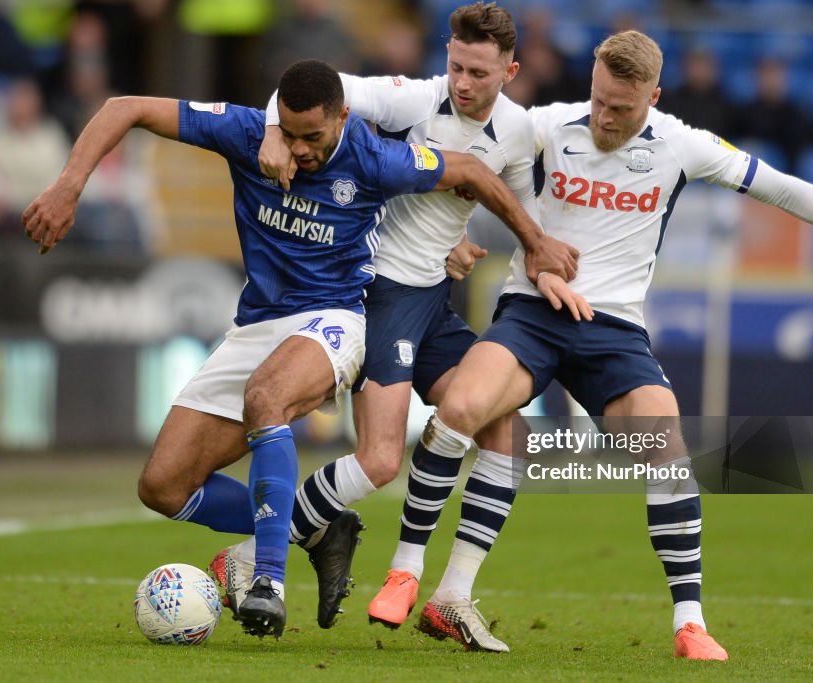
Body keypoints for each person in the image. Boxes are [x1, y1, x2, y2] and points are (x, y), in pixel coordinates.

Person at [387, 29, 813, 659]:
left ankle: (689, 623)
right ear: (592, 83)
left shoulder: (681, 145)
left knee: (662, 444)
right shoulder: (545, 126)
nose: (607, 119)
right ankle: (408, 575)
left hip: (613, 332)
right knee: (463, 408)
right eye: (602, 101)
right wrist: (440, 240)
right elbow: (460, 159)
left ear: (654, 97)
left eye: (624, 109)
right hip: (531, 313)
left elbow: (778, 185)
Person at [22, 58, 577, 640]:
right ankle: (315, 529)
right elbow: (124, 108)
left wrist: (534, 242)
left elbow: (470, 169)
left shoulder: (373, 158)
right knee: (162, 487)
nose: (300, 149)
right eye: (287, 133)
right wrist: (68, 186)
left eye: (312, 136)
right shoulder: (245, 134)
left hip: (333, 321)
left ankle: (266, 581)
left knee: (269, 398)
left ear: (342, 117)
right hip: (254, 325)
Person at [207, 2, 584, 649]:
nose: (463, 83)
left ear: (511, 71)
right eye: (457, 66)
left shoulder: (521, 133)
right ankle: (244, 556)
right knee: (381, 459)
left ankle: (452, 596)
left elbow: (523, 216)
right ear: (446, 55)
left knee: (504, 430)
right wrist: (273, 126)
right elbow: (313, 83)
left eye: (480, 73)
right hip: (378, 293)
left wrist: (537, 266)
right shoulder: (410, 100)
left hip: (435, 299)